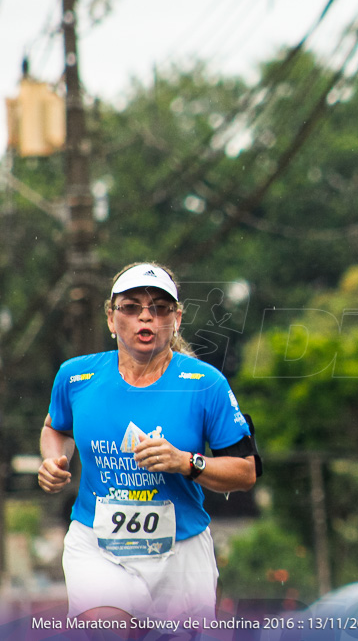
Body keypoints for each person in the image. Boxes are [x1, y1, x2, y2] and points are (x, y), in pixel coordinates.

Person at [37, 262, 260, 625]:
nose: (147, 318)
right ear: (111, 319)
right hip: (97, 543)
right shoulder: (76, 376)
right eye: (131, 307)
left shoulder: (206, 383)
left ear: (176, 319)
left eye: (160, 308)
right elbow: (56, 429)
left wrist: (187, 462)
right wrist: (52, 460)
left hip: (182, 550)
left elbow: (246, 472)